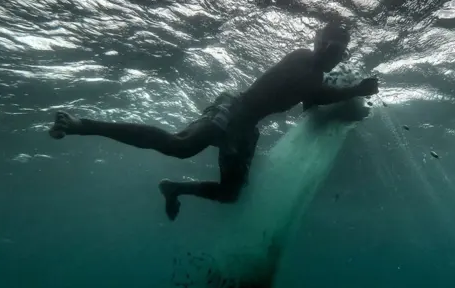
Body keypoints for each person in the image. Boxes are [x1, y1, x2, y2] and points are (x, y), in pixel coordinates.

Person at [48, 23, 379, 221]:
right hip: (233, 109)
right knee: (182, 146)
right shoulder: (302, 59)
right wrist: (354, 90)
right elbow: (310, 94)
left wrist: (355, 91)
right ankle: (83, 125)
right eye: (335, 47)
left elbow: (315, 98)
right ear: (321, 43)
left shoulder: (316, 75)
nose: (338, 54)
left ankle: (175, 188)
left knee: (231, 195)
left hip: (248, 128)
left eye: (343, 51)